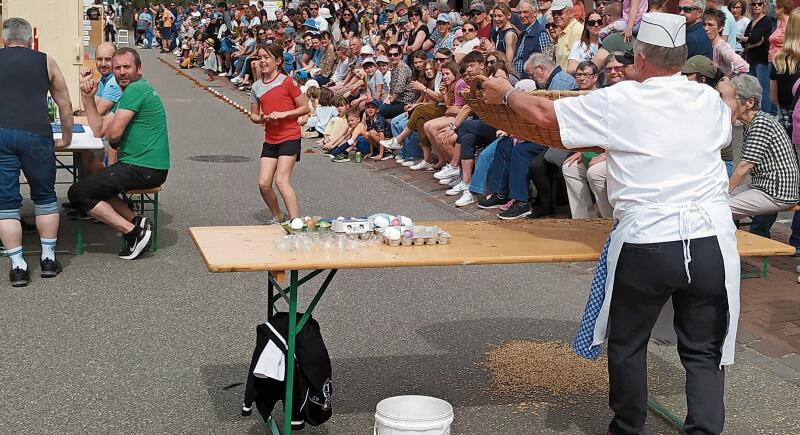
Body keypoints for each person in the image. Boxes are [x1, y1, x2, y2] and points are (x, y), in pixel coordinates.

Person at [484, 13, 739, 433]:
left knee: (628, 343)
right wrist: (727, 90)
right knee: (703, 352)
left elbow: (545, 115)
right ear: (682, 57)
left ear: (640, 58)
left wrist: (507, 92)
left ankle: (627, 428)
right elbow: (727, 117)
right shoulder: (706, 100)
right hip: (711, 240)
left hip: (648, 240)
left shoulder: (621, 99)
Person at [71, 47, 168, 261]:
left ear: (139, 69)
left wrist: (114, 137)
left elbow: (113, 134)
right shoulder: (132, 92)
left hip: (144, 167)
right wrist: (88, 97)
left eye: (127, 67)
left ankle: (134, 232)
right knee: (93, 182)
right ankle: (135, 221)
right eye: (118, 68)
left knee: (78, 193)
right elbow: (99, 130)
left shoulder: (136, 90)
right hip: (146, 166)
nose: (122, 72)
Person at [0, 18, 73, 286]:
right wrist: (65, 138)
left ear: (4, 39)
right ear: (30, 39)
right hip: (37, 133)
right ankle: (48, 259)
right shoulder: (45, 61)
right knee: (44, 197)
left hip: (1, 134)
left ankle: (18, 266)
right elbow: (64, 104)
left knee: (5, 203)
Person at [728, 74, 799, 231]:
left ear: (749, 102)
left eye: (733, 98)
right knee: (714, 203)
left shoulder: (760, 123)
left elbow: (744, 167)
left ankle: (724, 248)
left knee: (720, 208)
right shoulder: (754, 121)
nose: (728, 103)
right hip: (763, 187)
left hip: (776, 192)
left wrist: (724, 192)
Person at [248, 44, 309, 223]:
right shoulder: (257, 86)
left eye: (266, 57)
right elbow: (253, 115)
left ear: (278, 61)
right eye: (260, 58)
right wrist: (262, 119)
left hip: (289, 135)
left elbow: (304, 107)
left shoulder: (287, 81)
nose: (262, 61)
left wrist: (284, 114)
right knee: (264, 184)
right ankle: (278, 217)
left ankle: (295, 221)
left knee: (281, 181)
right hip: (271, 138)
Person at [742, 0, 776, 114]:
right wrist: (752, 42)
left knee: (763, 89)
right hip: (751, 59)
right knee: (751, 88)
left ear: (764, 6)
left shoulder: (766, 21)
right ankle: (754, 112)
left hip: (762, 60)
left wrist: (749, 41)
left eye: (759, 4)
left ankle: (767, 114)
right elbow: (747, 40)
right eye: (754, 4)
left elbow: (754, 38)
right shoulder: (752, 22)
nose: (756, 6)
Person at [703, 8, 749, 75]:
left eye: (710, 25)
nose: (706, 28)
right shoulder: (713, 45)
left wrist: (727, 78)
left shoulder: (722, 47)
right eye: (704, 24)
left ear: (720, 28)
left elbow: (744, 67)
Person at [551, 0, 585, 70]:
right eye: (553, 13)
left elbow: (577, 63)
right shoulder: (563, 30)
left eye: (559, 13)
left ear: (571, 13)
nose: (556, 16)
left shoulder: (577, 30)